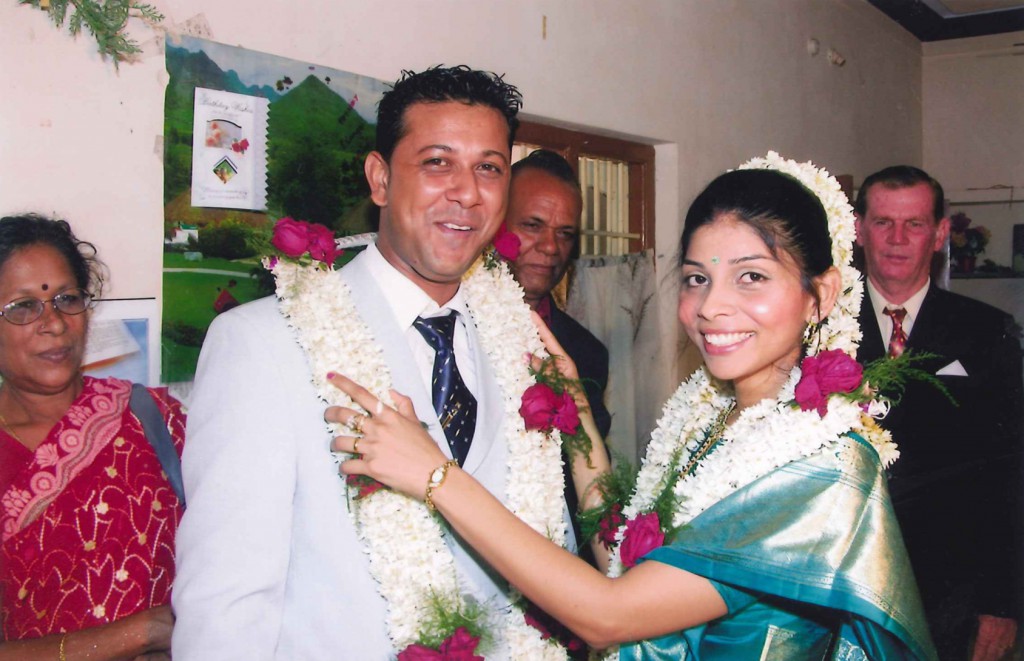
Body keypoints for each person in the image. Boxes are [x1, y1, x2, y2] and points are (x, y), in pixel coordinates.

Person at [330, 154, 938, 660]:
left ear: (820, 294)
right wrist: (575, 412)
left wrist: (435, 476)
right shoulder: (712, 415)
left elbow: (609, 614)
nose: (711, 307)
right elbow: (621, 556)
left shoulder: (823, 467)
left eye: (751, 277)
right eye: (697, 278)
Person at [172, 66, 604, 660]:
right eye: (437, 162)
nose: (467, 192)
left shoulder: (523, 347)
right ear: (379, 179)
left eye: (489, 168)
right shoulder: (261, 345)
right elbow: (226, 605)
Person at [854, 166, 1024, 661]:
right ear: (860, 230)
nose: (897, 239)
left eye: (915, 224)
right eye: (883, 222)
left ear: (941, 233)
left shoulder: (986, 332)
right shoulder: (818, 329)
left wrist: (1002, 601)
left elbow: (1012, 471)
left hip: (954, 591)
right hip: (842, 585)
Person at [0, 214, 184, 660]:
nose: (55, 323)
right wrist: (137, 634)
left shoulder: (156, 419)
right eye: (24, 307)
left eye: (67, 299)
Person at [505, 148, 612, 565]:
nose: (550, 247)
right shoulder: (453, 327)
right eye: (533, 225)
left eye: (565, 233)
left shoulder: (587, 353)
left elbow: (592, 483)